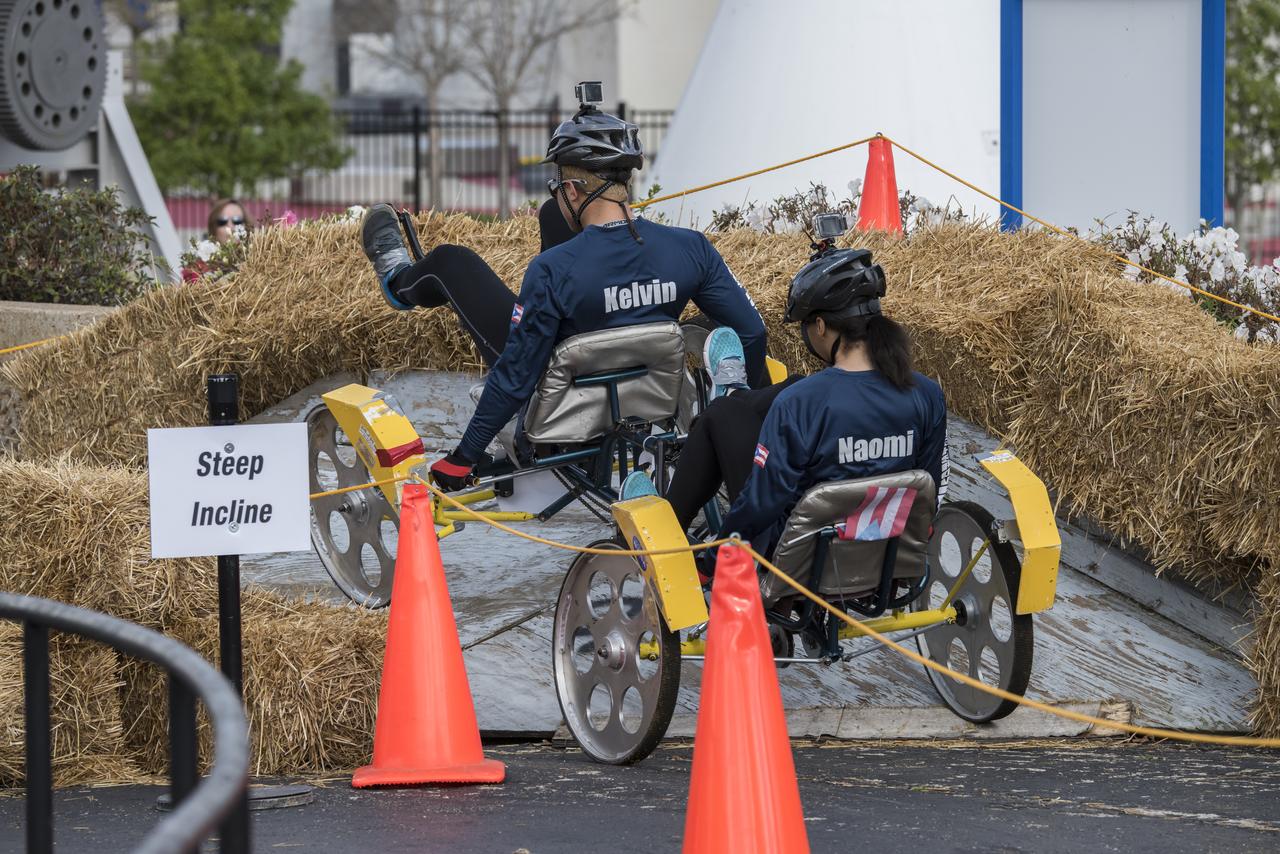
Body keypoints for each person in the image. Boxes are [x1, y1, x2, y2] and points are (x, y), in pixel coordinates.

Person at [358, 92, 768, 490]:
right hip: (649, 394)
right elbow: (751, 332)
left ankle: (397, 281)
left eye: (559, 186)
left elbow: (515, 378)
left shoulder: (551, 272)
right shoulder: (690, 248)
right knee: (556, 220)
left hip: (560, 405)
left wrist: (463, 457)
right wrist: (753, 428)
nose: (557, 193)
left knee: (452, 262)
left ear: (573, 188)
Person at [627, 247, 949, 563]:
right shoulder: (927, 394)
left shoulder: (801, 404)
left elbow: (760, 505)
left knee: (721, 416)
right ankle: (736, 394)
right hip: (887, 556)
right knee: (790, 385)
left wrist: (714, 556)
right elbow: (927, 494)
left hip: (799, 561)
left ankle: (664, 536)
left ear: (820, 326)